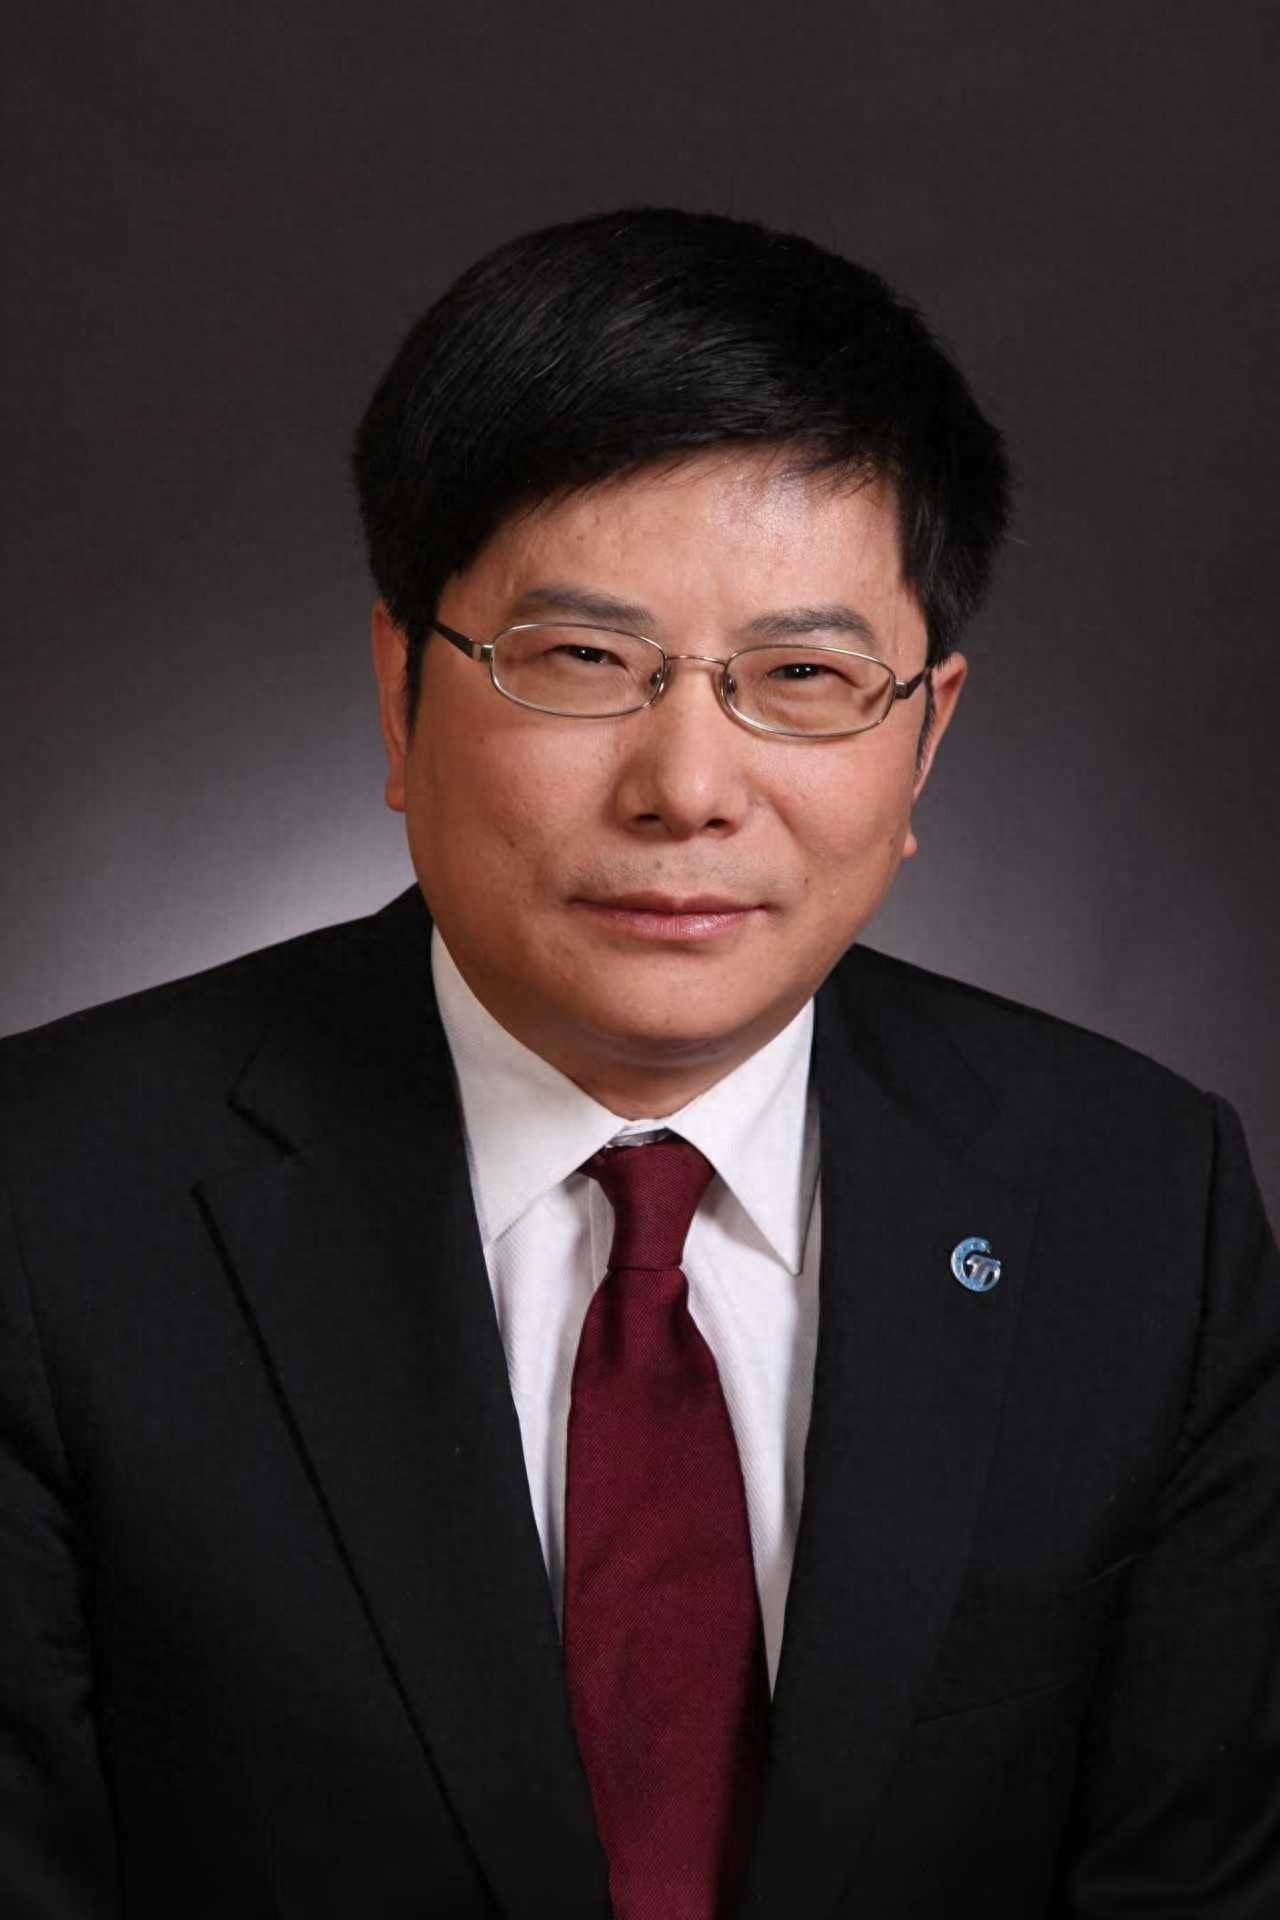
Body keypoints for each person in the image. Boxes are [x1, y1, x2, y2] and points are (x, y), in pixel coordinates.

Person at [1, 205, 1276, 1920]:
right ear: (401, 694)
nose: (687, 786)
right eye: (584, 659)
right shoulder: (52, 1207)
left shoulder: (1137, 1202)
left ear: (924, 738)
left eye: (803, 675)